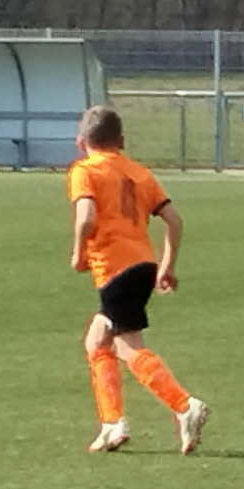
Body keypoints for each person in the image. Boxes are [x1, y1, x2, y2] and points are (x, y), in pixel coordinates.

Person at [68, 106, 209, 455]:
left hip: (115, 269)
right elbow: (174, 220)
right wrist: (167, 266)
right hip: (143, 265)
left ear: (81, 142)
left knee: (128, 346)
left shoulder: (85, 170)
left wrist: (79, 252)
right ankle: (112, 424)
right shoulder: (138, 172)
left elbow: (86, 217)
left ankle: (184, 406)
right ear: (122, 141)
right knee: (97, 341)